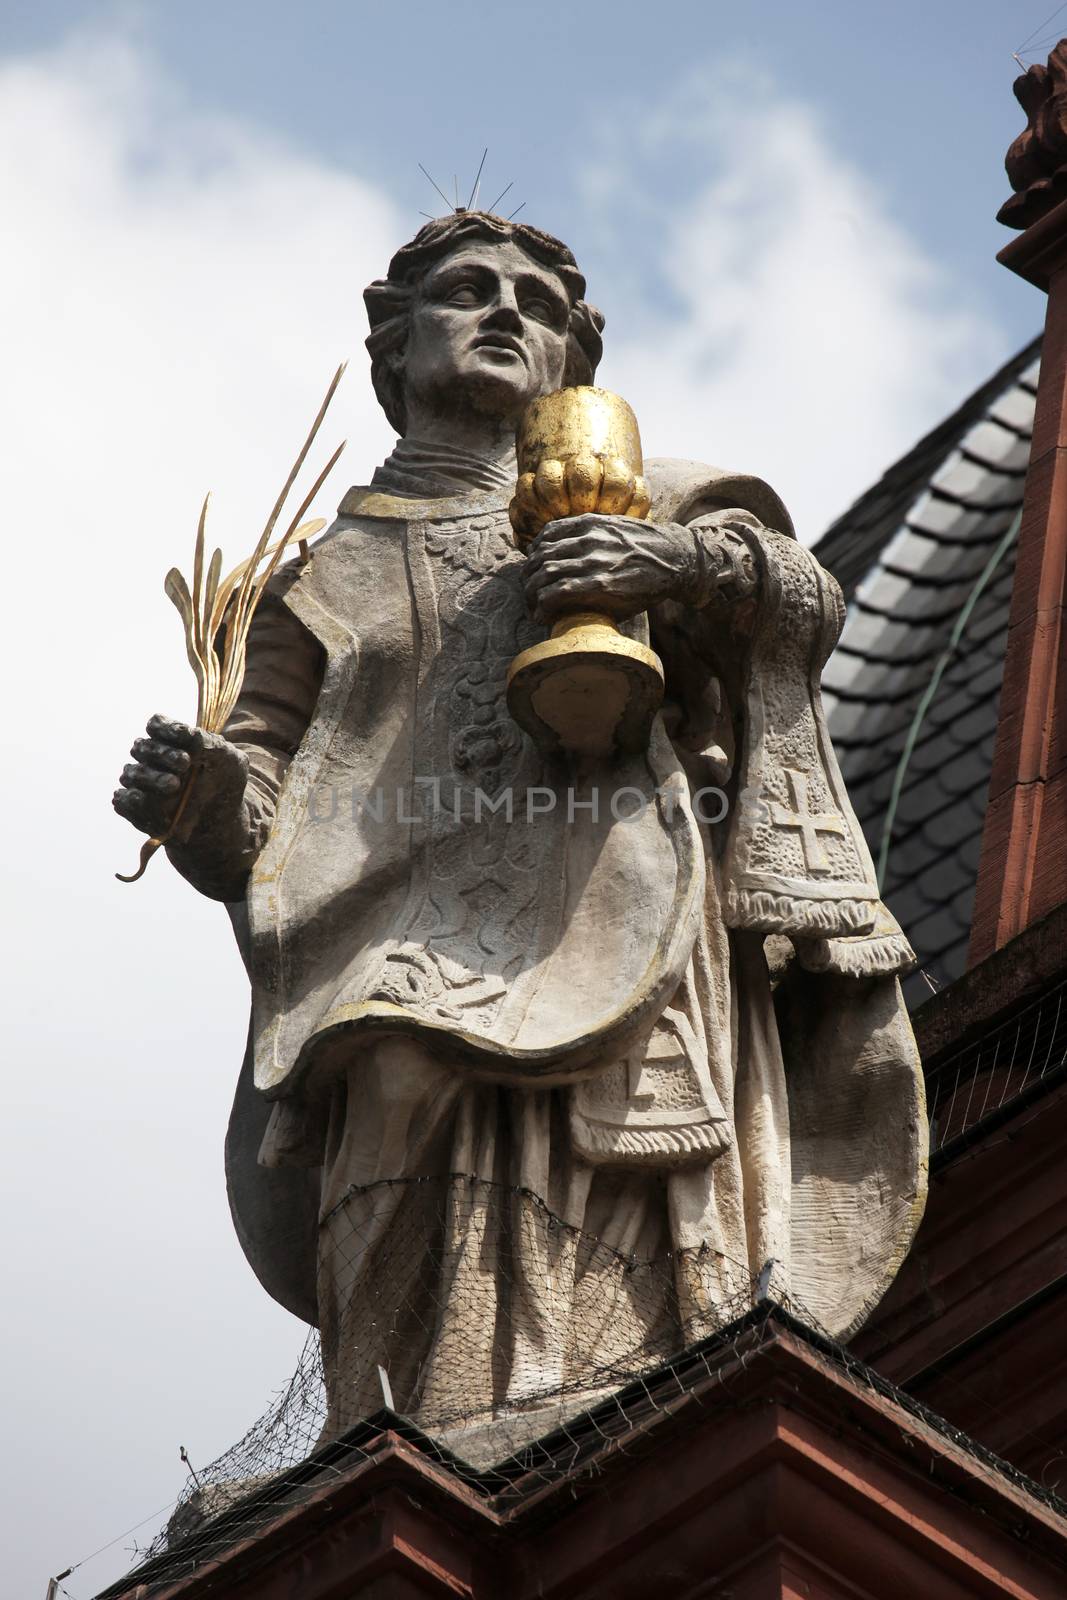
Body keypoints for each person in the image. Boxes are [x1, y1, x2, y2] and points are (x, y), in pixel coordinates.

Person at [114, 211, 925, 1447]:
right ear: (392, 351)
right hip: (395, 923)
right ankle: (398, 1430)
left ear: (569, 360)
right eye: (466, 291)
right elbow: (264, 806)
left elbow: (802, 602)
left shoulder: (644, 493)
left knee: (611, 1137)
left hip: (618, 889)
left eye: (537, 305)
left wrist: (667, 562)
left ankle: (613, 1383)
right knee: (390, 1068)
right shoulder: (318, 581)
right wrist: (202, 803)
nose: (504, 312)